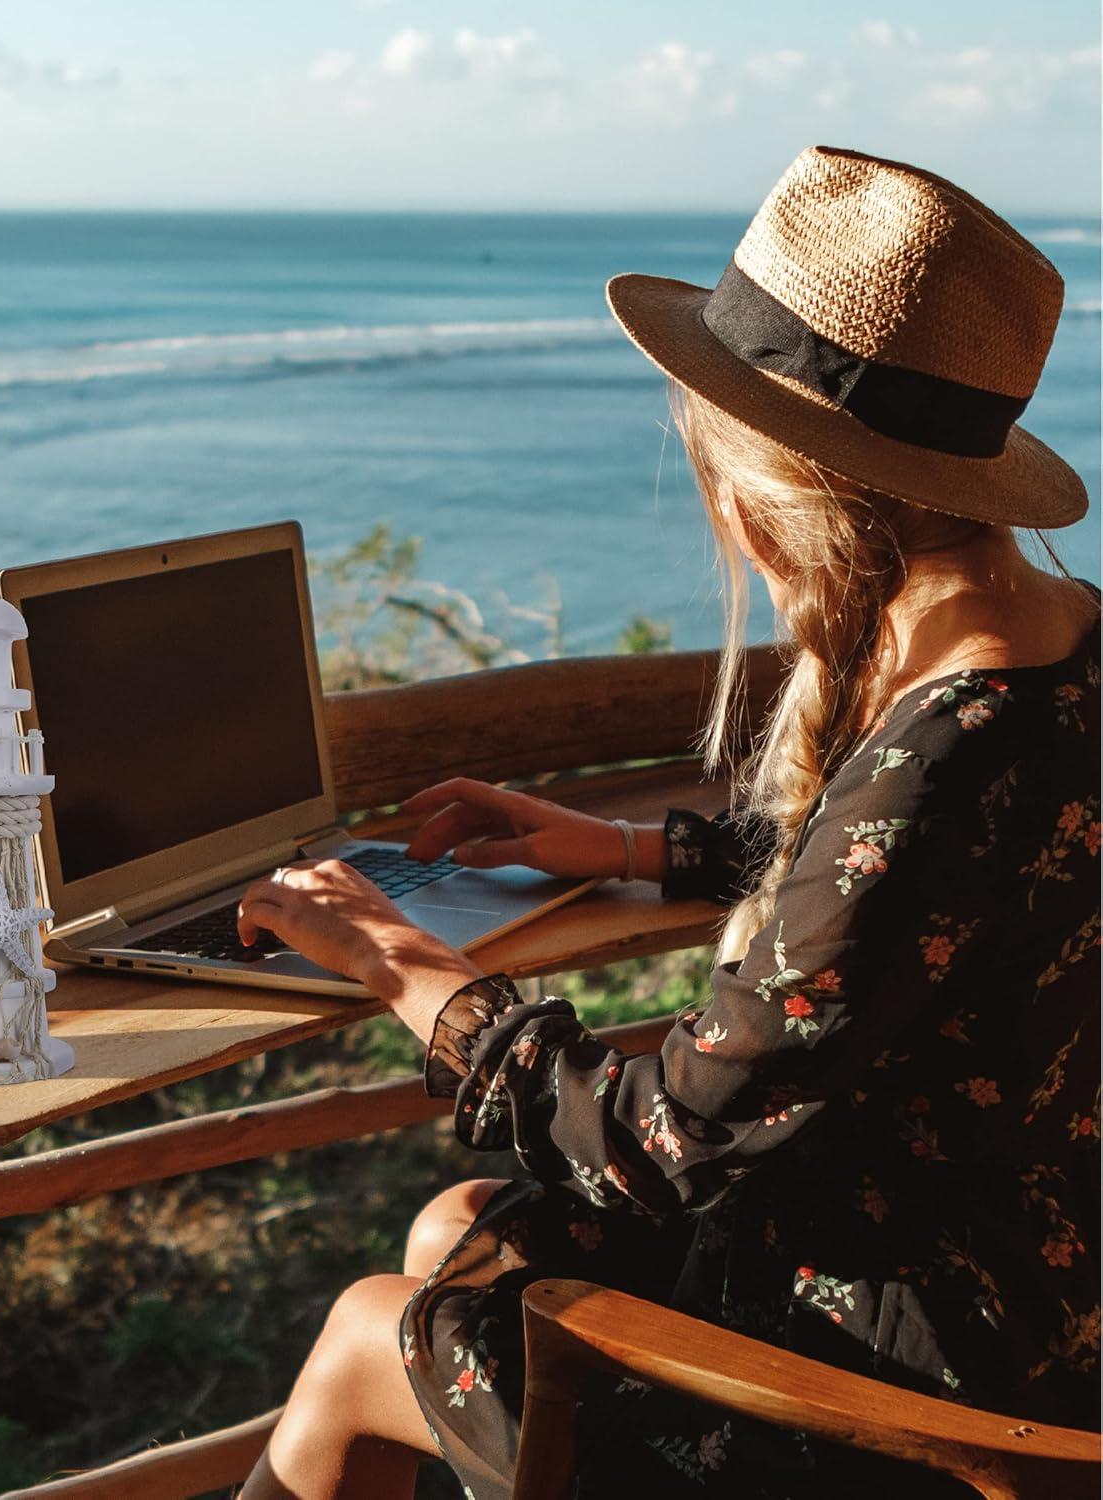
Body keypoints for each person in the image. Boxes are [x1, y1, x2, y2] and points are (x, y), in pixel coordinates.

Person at [235, 146, 1100, 1498]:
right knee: (453, 1226)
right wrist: (633, 849)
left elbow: (656, 1148)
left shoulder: (940, 757)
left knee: (361, 1339)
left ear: (759, 508)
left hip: (923, 1409)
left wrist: (406, 969)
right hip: (1038, 1301)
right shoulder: (1061, 649)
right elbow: (923, 902)